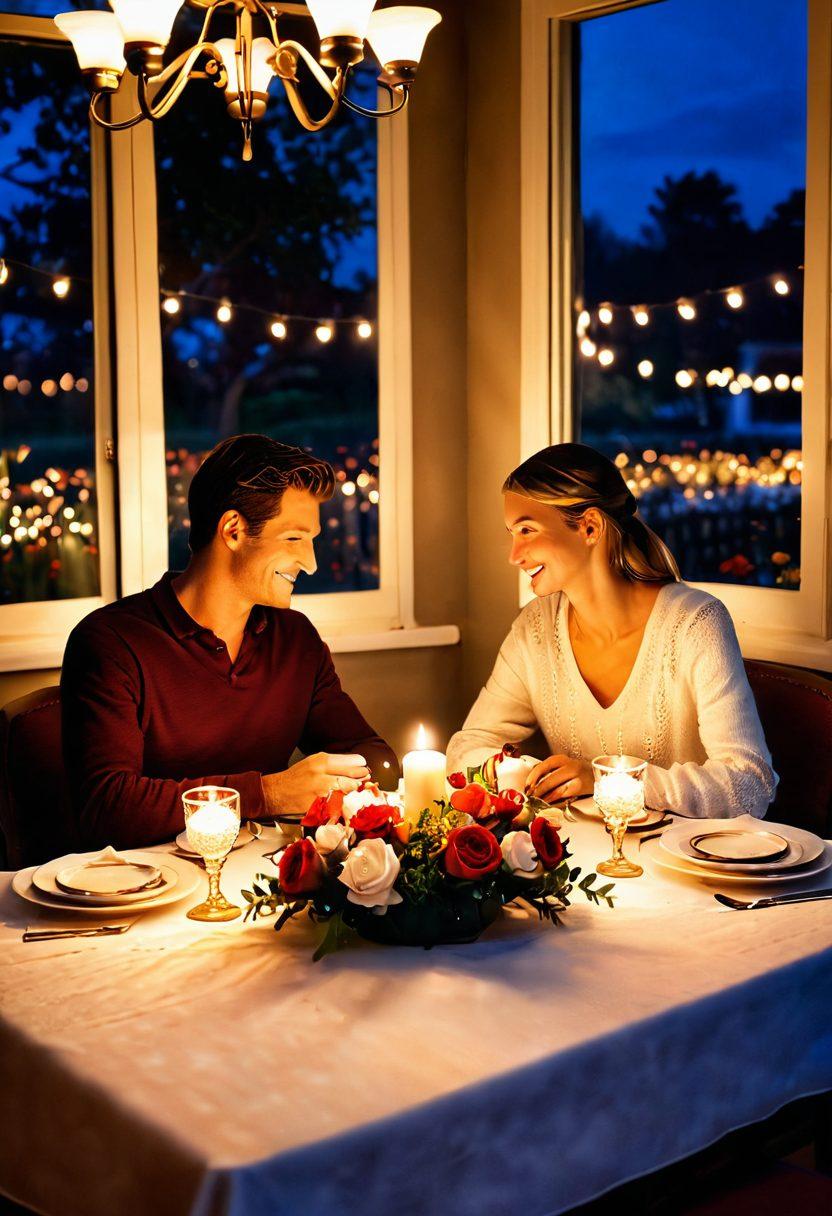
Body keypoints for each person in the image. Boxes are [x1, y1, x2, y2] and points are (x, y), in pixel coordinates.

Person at [62, 434, 399, 849]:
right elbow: (108, 809)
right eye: (294, 539)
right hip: (140, 893)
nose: (310, 563)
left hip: (259, 883)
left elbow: (371, 755)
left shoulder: (295, 640)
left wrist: (356, 777)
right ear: (234, 530)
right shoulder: (111, 642)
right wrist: (268, 794)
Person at [447, 443, 776, 818]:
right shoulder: (534, 628)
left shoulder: (695, 624)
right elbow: (467, 747)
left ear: (590, 527)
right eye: (512, 533)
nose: (514, 554)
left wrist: (607, 779)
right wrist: (512, 772)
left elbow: (750, 785)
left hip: (690, 868)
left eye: (527, 530)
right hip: (587, 862)